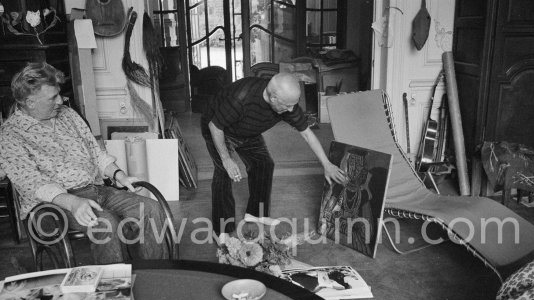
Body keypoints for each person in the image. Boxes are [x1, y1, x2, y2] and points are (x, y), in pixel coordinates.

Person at [0, 62, 167, 264]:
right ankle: (112, 287)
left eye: (59, 94)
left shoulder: (68, 116)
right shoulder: (11, 134)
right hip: (50, 204)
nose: (61, 101)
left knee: (150, 208)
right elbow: (31, 183)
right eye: (53, 97)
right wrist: (73, 202)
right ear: (30, 102)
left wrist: (118, 175)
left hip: (94, 189)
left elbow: (96, 152)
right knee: (105, 223)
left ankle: (157, 272)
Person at [201, 72, 348, 237]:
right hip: (219, 128)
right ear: (273, 98)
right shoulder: (241, 99)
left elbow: (307, 134)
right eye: (287, 105)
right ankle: (221, 231)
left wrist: (327, 164)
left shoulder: (286, 102)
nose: (291, 110)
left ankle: (256, 213)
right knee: (223, 173)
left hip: (247, 129)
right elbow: (215, 126)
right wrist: (227, 159)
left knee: (264, 164)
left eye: (294, 104)